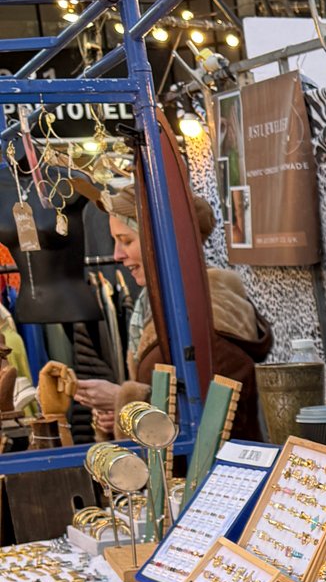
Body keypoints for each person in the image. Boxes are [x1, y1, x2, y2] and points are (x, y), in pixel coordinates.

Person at [74, 188, 273, 441]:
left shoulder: (210, 315)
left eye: (126, 241)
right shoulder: (160, 304)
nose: (117, 255)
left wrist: (122, 400)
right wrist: (120, 414)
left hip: (215, 476)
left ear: (160, 242)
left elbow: (214, 417)